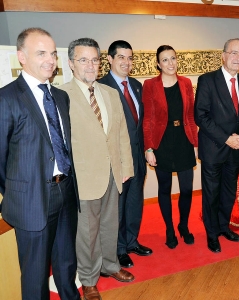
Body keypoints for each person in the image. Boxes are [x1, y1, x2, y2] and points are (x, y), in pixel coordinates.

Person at [0, 28, 80, 300]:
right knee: (35, 278)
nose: (50, 60)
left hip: (66, 192)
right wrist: (19, 191)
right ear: (21, 56)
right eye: (41, 53)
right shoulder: (6, 98)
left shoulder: (60, 97)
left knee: (67, 265)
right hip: (31, 201)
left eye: (53, 53)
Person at [60, 38, 134, 300]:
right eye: (83, 60)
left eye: (94, 59)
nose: (90, 65)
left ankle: (110, 265)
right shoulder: (61, 95)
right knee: (86, 234)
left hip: (113, 173)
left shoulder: (110, 93)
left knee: (109, 225)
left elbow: (121, 133)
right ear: (70, 63)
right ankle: (89, 278)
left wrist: (125, 166)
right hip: (84, 178)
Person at [195, 38, 239, 253]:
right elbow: (200, 116)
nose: (238, 58)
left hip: (235, 150)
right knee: (211, 193)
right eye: (234, 53)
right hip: (214, 148)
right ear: (223, 55)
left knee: (229, 192)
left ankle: (223, 227)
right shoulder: (207, 80)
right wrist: (226, 138)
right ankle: (212, 234)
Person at [98, 40, 152, 269]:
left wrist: (148, 149)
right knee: (117, 207)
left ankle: (131, 241)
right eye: (121, 57)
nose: (126, 62)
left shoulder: (137, 86)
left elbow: (141, 124)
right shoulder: (101, 87)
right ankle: (118, 249)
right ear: (109, 59)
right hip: (117, 160)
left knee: (135, 202)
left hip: (137, 157)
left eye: (130, 58)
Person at [142, 45, 198, 249]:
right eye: (165, 60)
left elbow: (190, 116)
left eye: (173, 58)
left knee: (186, 189)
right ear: (158, 64)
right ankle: (169, 229)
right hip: (162, 142)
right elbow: (147, 119)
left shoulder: (186, 83)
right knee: (164, 188)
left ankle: (183, 226)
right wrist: (149, 148)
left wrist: (196, 142)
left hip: (183, 140)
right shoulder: (150, 85)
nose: (170, 63)